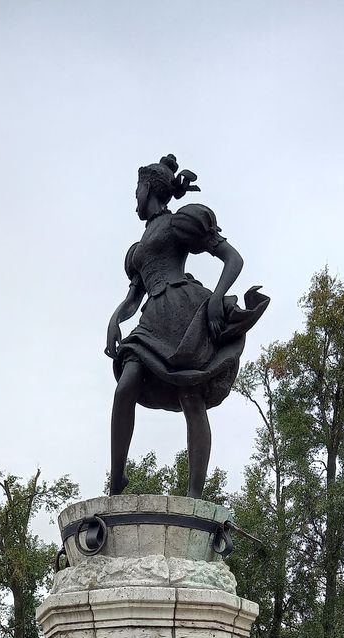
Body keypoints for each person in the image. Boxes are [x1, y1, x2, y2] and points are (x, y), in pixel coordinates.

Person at [105, 154, 269, 498]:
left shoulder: (178, 223)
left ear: (148, 188)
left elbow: (232, 258)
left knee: (191, 395)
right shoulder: (136, 251)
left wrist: (217, 298)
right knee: (126, 387)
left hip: (185, 309)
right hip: (152, 319)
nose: (134, 196)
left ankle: (195, 494)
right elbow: (134, 299)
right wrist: (114, 321)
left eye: (136, 188)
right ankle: (117, 481)